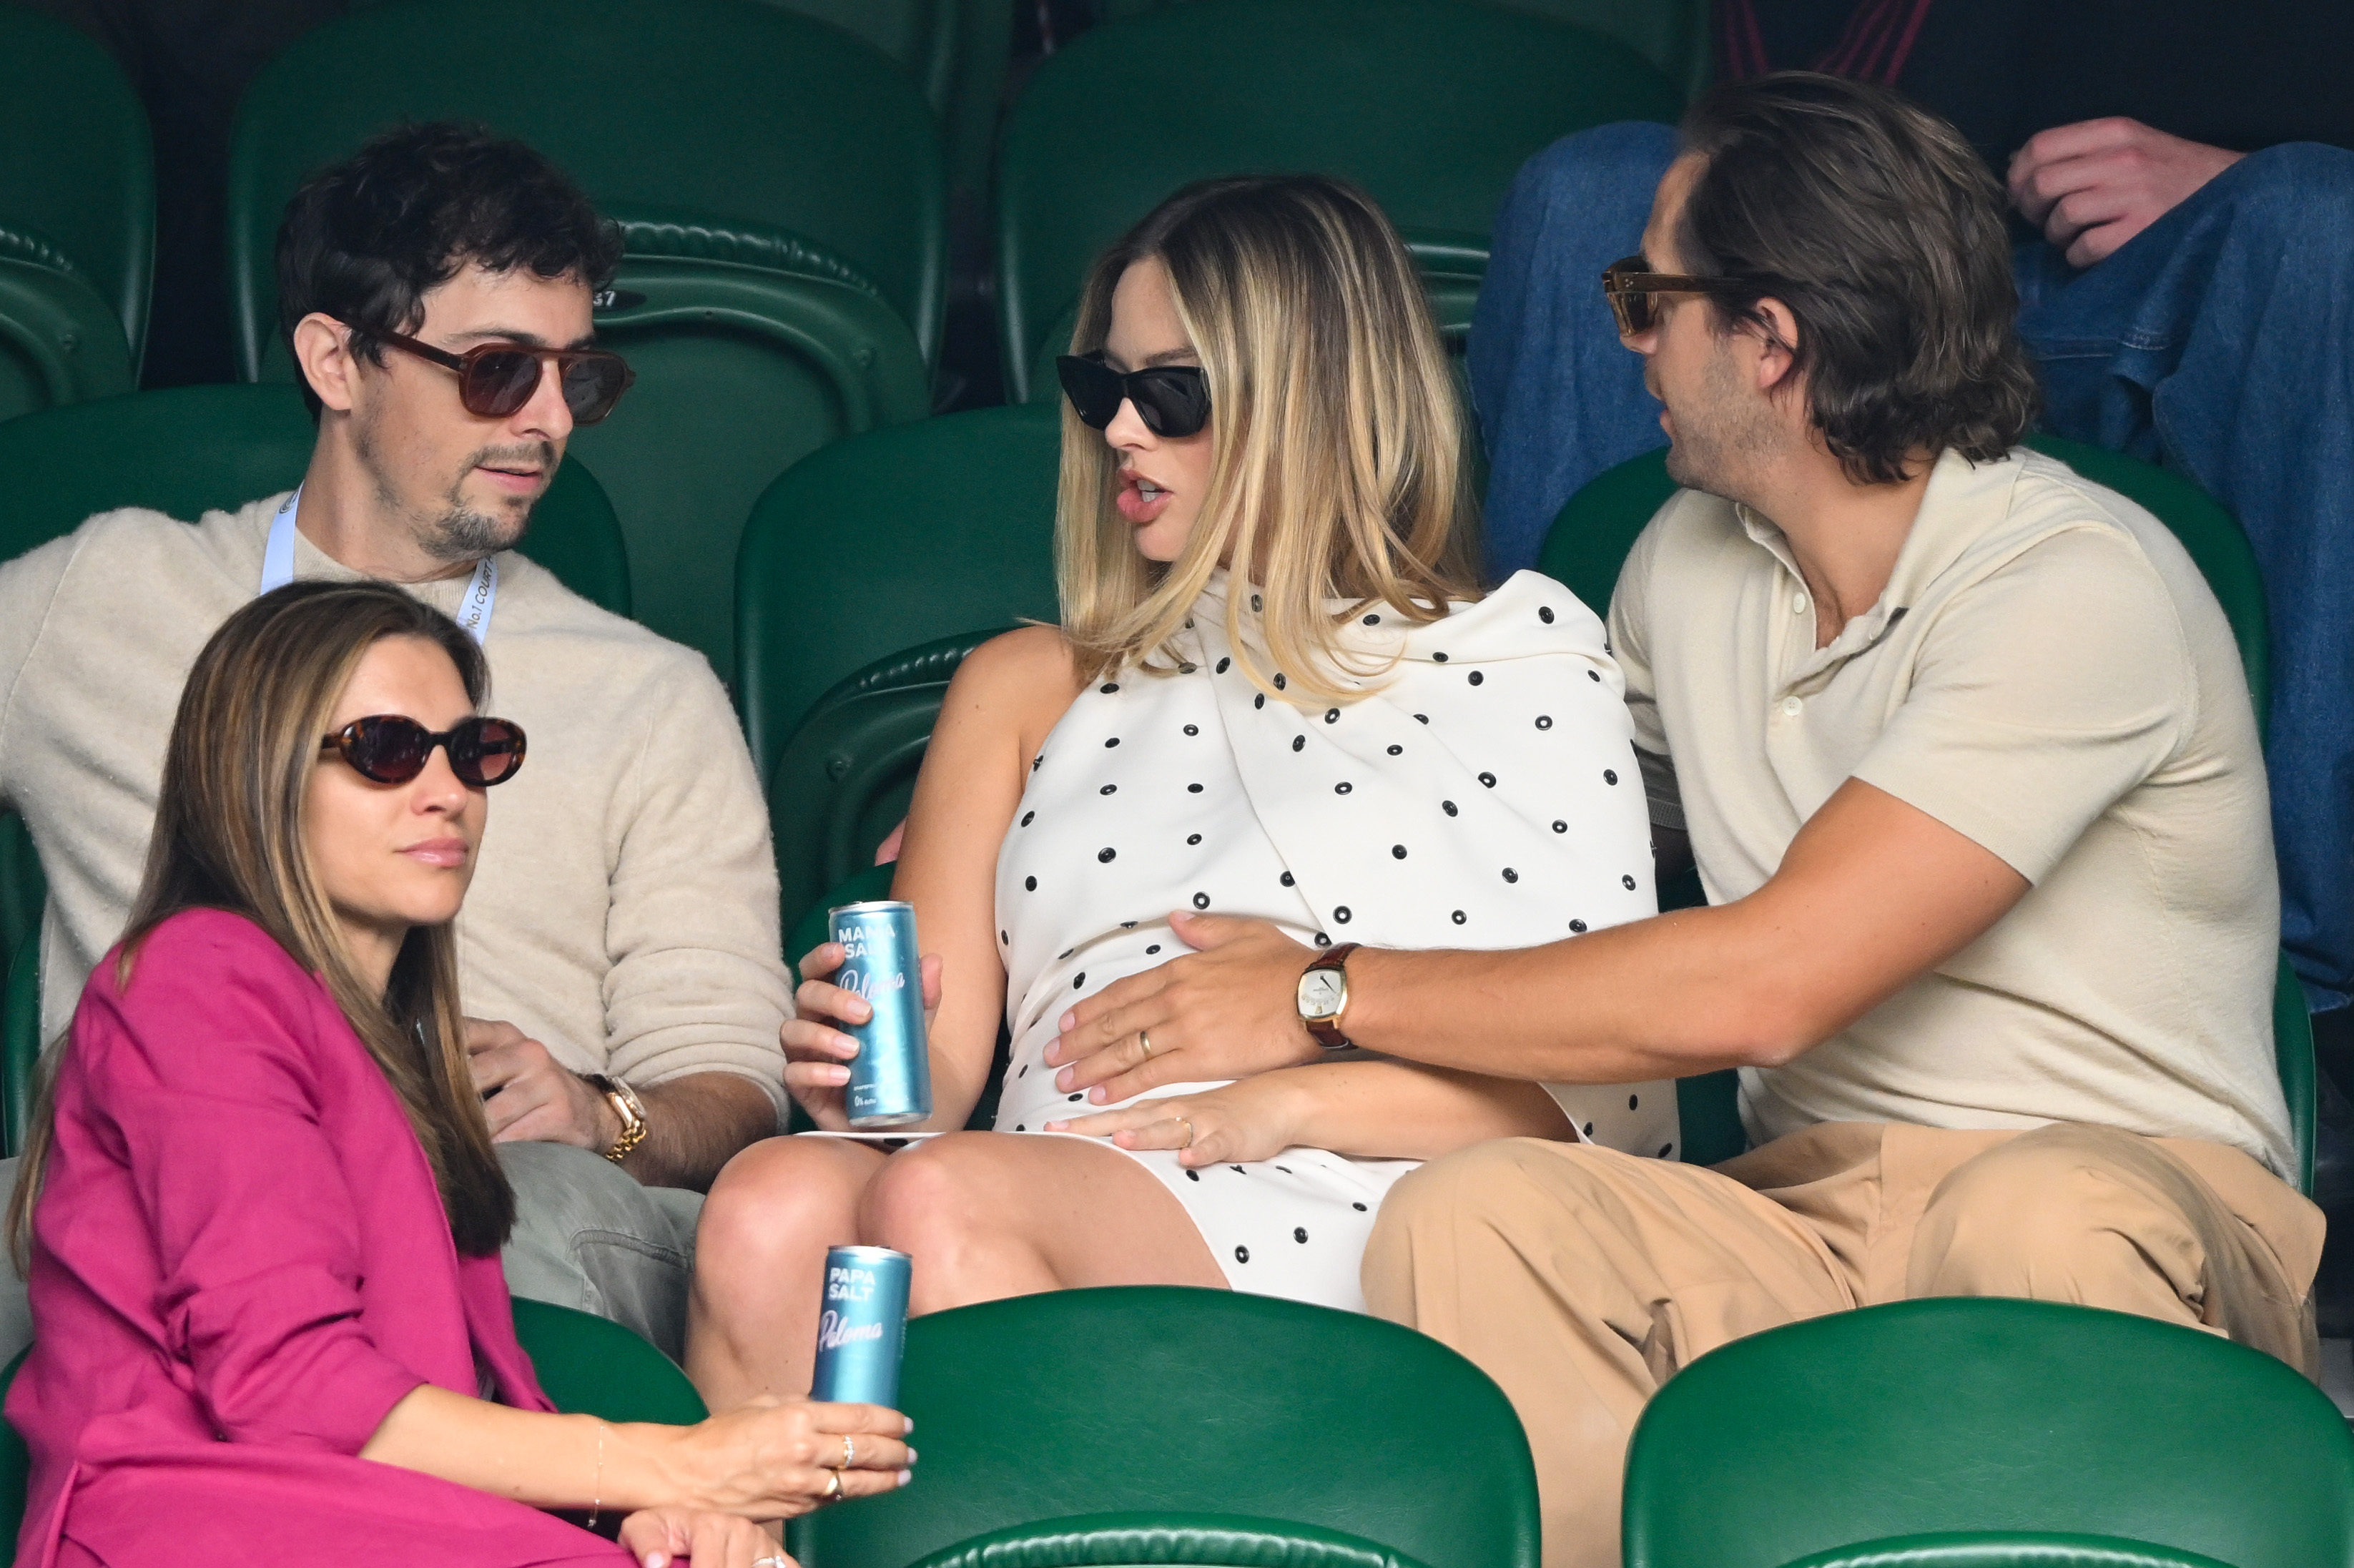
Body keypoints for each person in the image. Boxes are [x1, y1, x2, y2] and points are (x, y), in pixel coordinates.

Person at [1047, 79, 2323, 1568]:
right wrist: (1091, 791)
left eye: (1649, 298)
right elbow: (1487, 801)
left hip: (2124, 1198)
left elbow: (1761, 984)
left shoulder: (2074, 582)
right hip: (1805, 1207)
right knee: (1484, 1211)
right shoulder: (1682, 563)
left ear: (1770, 339)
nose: (1622, 337)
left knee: (2027, 1212)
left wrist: (1317, 988)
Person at [682, 174, 1675, 1411]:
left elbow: (1608, 1113)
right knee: (771, 1203)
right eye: (1102, 388)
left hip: (1363, 1184)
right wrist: (856, 1073)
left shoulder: (1519, 648)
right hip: (1058, 1174)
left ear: (1312, 399)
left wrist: (1279, 1095)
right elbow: (928, 1082)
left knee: (942, 1198)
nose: (1120, 432)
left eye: (1172, 395)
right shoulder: (1024, 682)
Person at [0, 122, 792, 1360]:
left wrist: (605, 1115)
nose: (550, 422)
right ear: (337, 359)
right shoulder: (104, 596)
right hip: (156, 1171)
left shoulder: (652, 693)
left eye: (575, 378)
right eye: (496, 370)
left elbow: (730, 1086)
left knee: (475, 1240)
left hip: (509, 1189)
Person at [1469, 1, 2354, 1030]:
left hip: (2171, 272)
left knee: (2315, 219)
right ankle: (1528, 877)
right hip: (1852, 243)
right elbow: (1773, 88)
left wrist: (2226, 170)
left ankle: (2310, 1001)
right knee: (1589, 190)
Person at [6, 581, 907, 1568]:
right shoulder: (199, 976)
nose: (447, 792)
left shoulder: (393, 1049)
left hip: (374, 1522)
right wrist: (675, 1467)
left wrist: (632, 1514)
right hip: (208, 1525)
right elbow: (289, 1387)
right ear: (255, 773)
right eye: (385, 750)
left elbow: (467, 1402)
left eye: (473, 752)